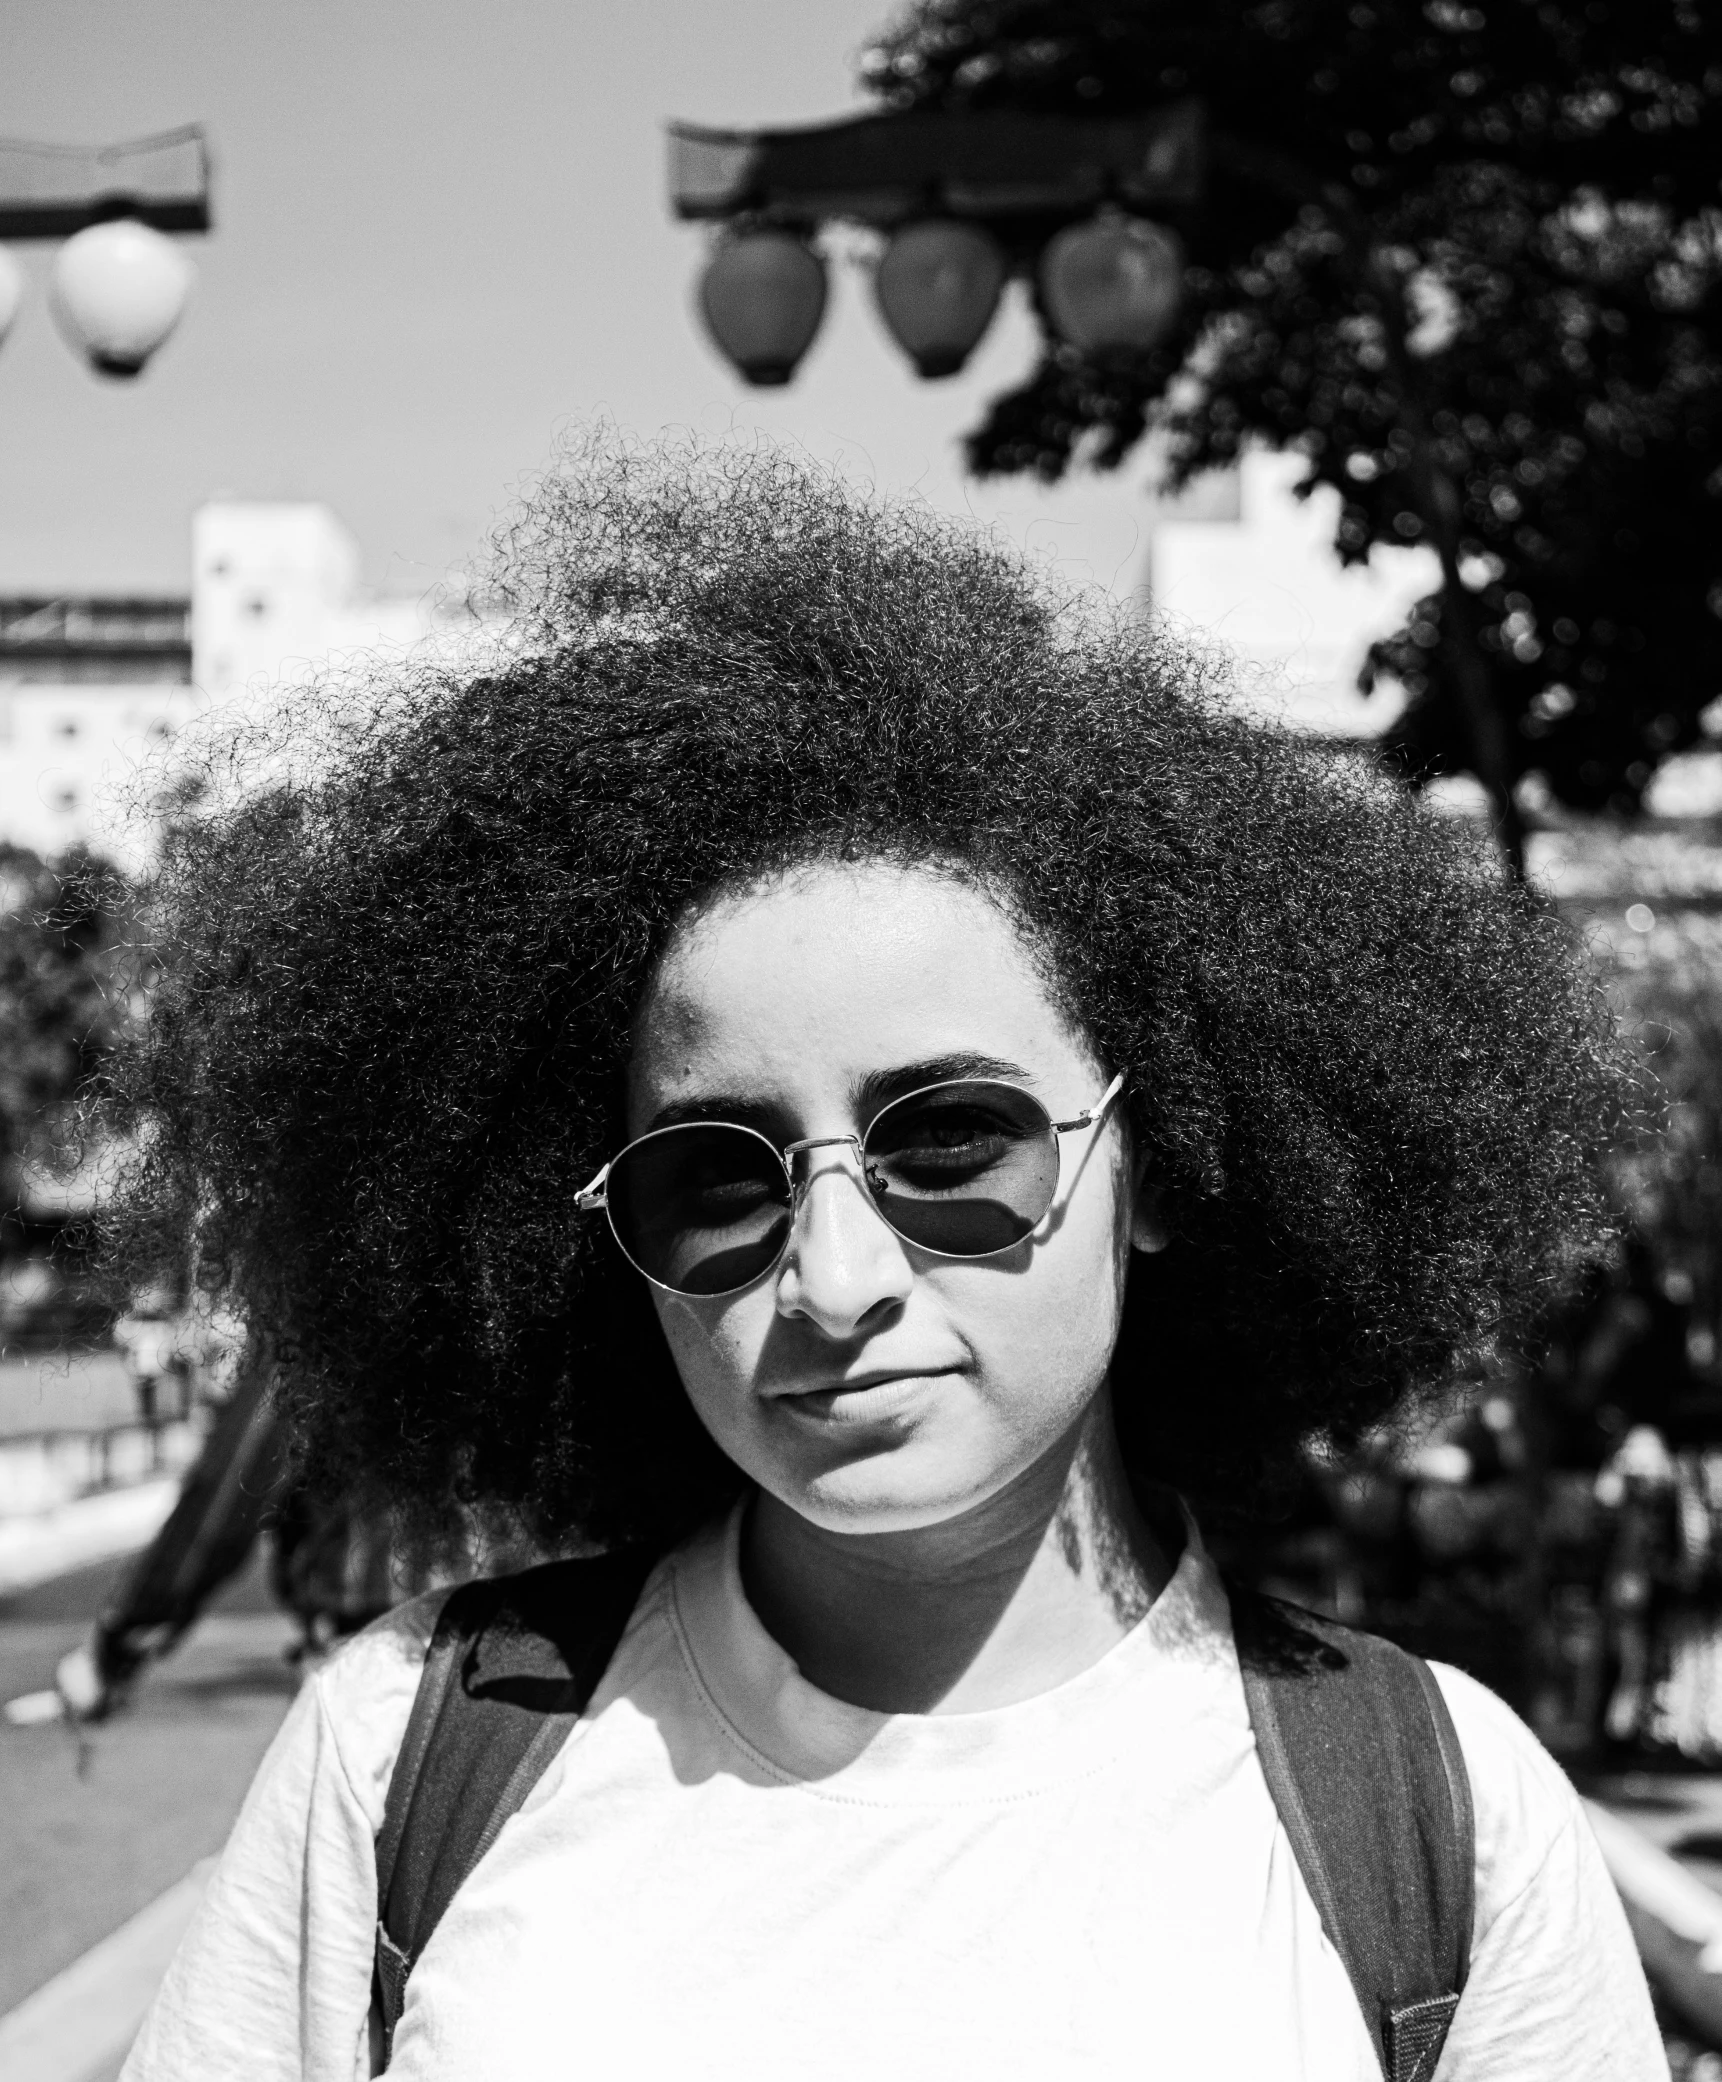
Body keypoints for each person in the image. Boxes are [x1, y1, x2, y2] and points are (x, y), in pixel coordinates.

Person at [113, 437, 1661, 2080]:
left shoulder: (1438, 1825)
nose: (835, 1277)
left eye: (947, 1144)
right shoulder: (401, 1753)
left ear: (1158, 1159)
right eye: (715, 1179)